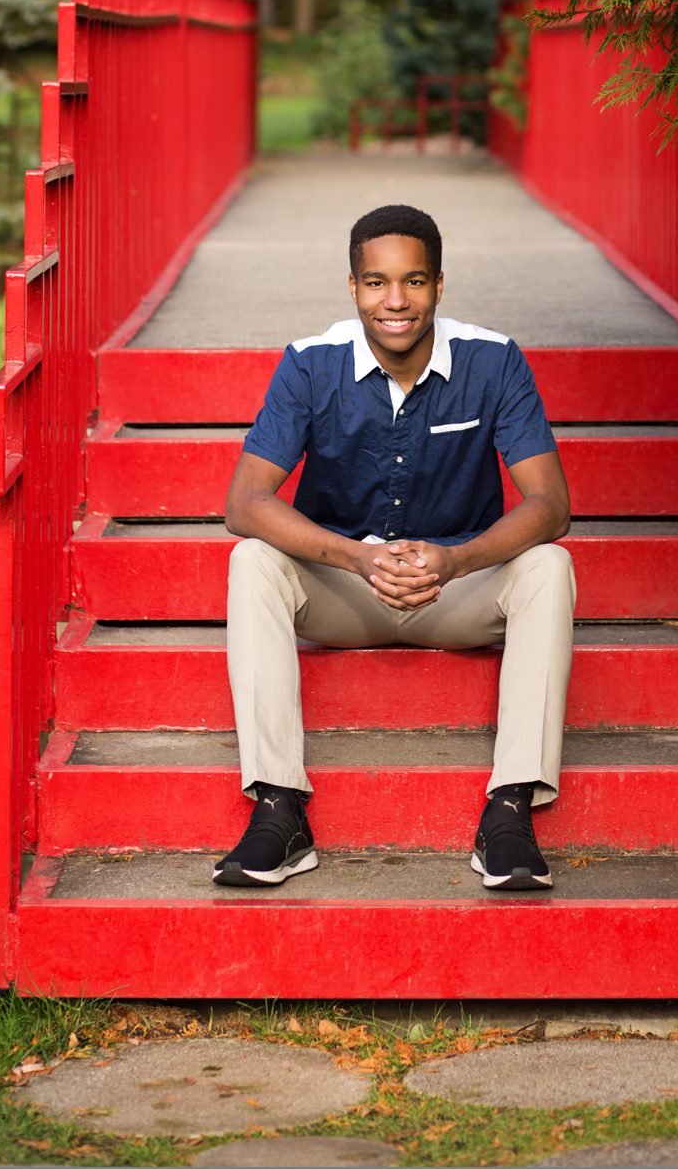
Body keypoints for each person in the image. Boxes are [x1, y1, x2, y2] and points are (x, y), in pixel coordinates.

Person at [215, 203, 575, 894]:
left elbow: (551, 505)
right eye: (376, 282)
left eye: (413, 281)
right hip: (346, 591)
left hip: (454, 591)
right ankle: (279, 808)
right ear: (352, 288)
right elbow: (245, 502)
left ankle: (509, 811)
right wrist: (355, 557)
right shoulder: (309, 364)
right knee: (252, 558)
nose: (396, 300)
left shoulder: (493, 361)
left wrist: (458, 558)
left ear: (439, 285)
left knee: (548, 566)